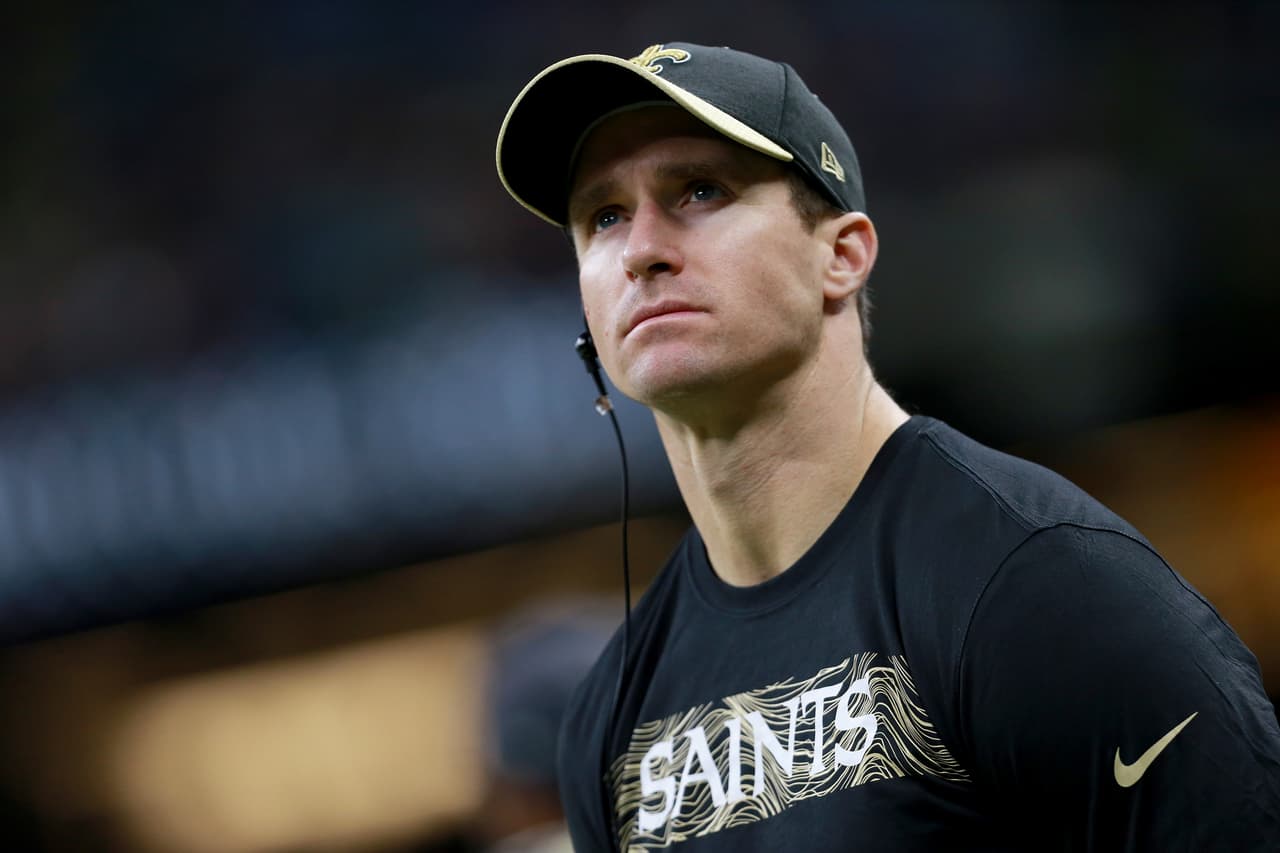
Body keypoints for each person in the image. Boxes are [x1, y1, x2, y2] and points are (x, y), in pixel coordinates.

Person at [493, 42, 1280, 851]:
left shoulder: (1038, 584)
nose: (640, 250)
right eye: (604, 215)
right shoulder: (611, 719)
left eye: (700, 190)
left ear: (842, 255)